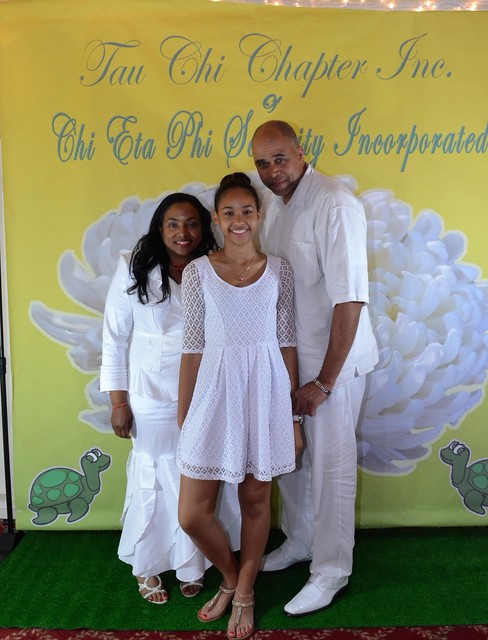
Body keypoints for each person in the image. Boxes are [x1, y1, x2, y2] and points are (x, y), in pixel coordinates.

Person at [251, 121, 379, 617]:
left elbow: (350, 300)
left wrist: (324, 382)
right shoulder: (275, 207)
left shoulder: (335, 203)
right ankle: (301, 540)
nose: (272, 172)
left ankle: (330, 571)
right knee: (292, 463)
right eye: (263, 163)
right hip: (289, 361)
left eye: (280, 159)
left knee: (331, 469)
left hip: (333, 369)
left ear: (301, 151)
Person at [176, 173, 303, 640]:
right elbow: (192, 350)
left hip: (266, 395)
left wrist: (293, 418)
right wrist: (184, 417)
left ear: (259, 215)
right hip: (213, 395)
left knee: (255, 500)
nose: (238, 220)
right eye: (228, 212)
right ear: (216, 218)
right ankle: (230, 576)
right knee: (192, 514)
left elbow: (287, 345)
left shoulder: (280, 270)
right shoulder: (198, 273)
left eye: (247, 211)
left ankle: (245, 592)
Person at [100, 193, 240, 604]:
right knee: (154, 475)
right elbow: (114, 337)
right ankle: (147, 566)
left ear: (204, 228)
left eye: (192, 223)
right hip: (151, 395)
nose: (184, 232)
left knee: (196, 476)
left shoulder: (214, 266)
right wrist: (118, 402)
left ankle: (190, 563)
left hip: (205, 390)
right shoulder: (132, 265)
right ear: (159, 227)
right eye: (174, 223)